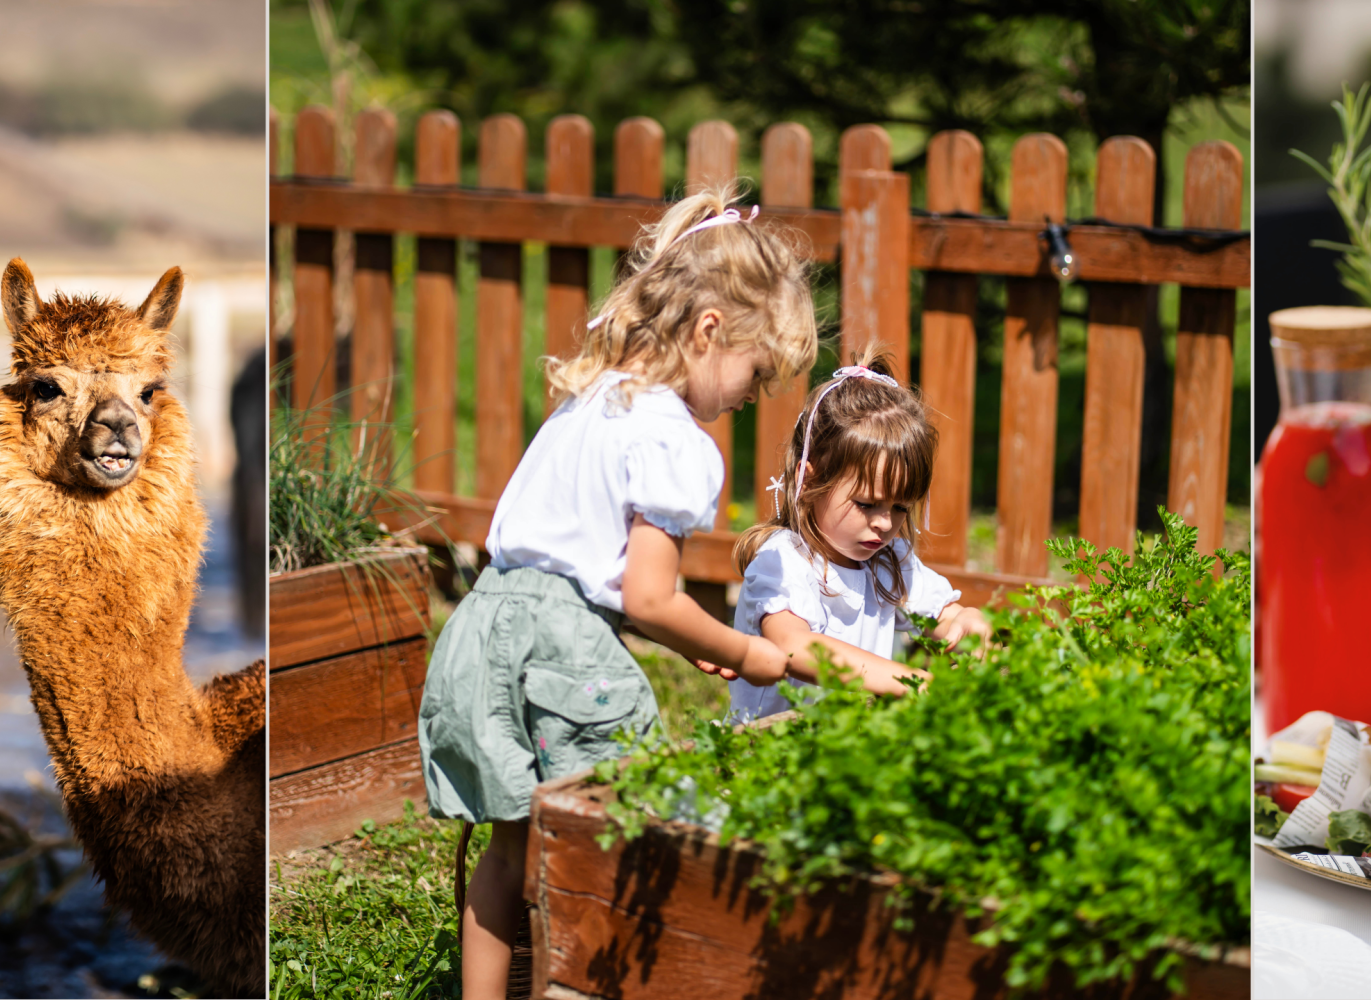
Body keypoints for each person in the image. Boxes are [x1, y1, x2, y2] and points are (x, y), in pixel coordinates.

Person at [416, 185, 819, 1000]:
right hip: (563, 652)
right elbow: (649, 598)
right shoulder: (674, 438)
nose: (752, 396)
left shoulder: (592, 399)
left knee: (511, 850)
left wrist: (686, 641)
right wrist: (745, 654)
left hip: (483, 625)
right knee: (610, 846)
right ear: (709, 331)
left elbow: (585, 575)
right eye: (755, 371)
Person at [729, 352, 992, 723]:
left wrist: (966, 622)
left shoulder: (887, 561)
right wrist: (909, 680)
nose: (885, 523)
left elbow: (943, 618)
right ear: (809, 482)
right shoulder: (784, 562)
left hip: (847, 748)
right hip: (768, 754)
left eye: (901, 508)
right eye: (867, 504)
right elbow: (792, 647)